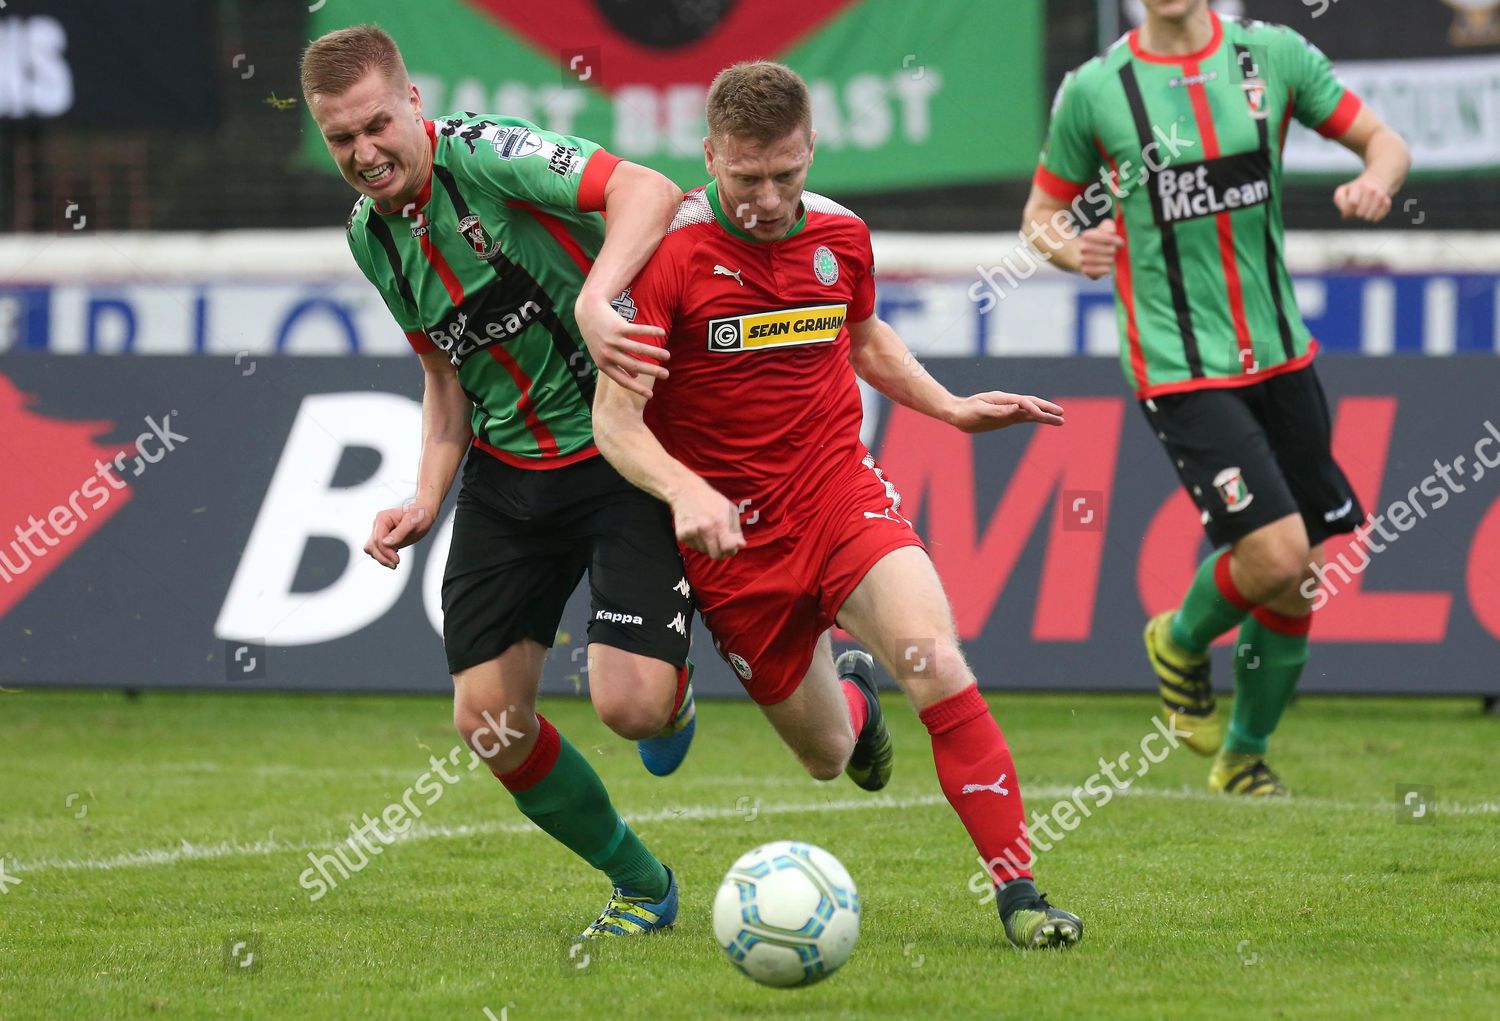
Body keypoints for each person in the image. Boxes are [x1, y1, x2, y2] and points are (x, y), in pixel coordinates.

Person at [592, 61, 1084, 950]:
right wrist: (687, 489)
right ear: (710, 154)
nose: (769, 198)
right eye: (746, 178)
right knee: (826, 759)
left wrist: (949, 405)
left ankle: (1023, 897)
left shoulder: (843, 236)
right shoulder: (662, 257)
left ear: (811, 147)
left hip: (837, 496)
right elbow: (614, 423)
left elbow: (861, 335)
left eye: (788, 173)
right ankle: (854, 694)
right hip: (732, 545)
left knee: (934, 659)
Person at [301, 24, 698, 937]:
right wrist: (424, 498)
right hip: (508, 480)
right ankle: (643, 885)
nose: (364, 154)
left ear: (413, 104)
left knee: (632, 706)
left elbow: (651, 190)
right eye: (339, 140)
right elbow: (446, 379)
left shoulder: (491, 156)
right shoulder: (373, 238)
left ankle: (670, 692)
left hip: (620, 452)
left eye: (374, 126)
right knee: (486, 721)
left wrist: (599, 299)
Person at [1021, 0, 1411, 795]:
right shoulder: (1097, 90)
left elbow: (1384, 140)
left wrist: (1377, 179)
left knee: (1299, 576)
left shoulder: (1272, 57)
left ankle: (1243, 753)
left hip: (1281, 356)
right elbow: (1038, 216)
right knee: (1277, 552)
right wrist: (1071, 244)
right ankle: (1179, 638)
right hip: (1179, 368)